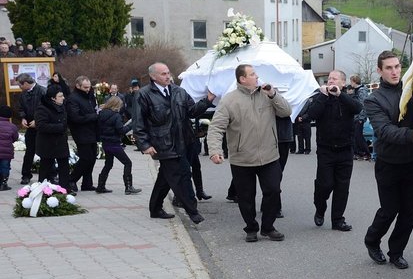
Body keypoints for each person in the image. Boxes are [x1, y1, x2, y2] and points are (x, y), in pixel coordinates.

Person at [206, 64, 291, 242]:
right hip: (242, 158)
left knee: (274, 190)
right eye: (252, 74)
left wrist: (273, 94)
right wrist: (214, 150)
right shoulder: (229, 100)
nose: (257, 76)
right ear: (242, 79)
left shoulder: (266, 95)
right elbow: (216, 128)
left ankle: (268, 227)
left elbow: (286, 112)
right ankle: (251, 228)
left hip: (269, 156)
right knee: (246, 197)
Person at [362, 51, 413, 268]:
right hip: (388, 164)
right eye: (389, 68)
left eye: (397, 67)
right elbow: (384, 130)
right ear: (379, 71)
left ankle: (396, 252)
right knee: (389, 210)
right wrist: (412, 135)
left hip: (411, 163)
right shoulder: (373, 99)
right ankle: (372, 240)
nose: (394, 71)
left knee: (409, 212)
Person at [133, 63, 212, 223]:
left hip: (184, 141)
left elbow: (192, 111)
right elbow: (138, 121)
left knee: (165, 177)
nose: (168, 76)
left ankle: (155, 208)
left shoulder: (179, 92)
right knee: (181, 175)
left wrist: (208, 100)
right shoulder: (144, 94)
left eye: (168, 73)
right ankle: (192, 211)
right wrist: (145, 144)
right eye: (163, 74)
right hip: (163, 143)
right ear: (153, 77)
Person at [303, 70, 361, 231]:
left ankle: (338, 220)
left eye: (334, 79)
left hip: (345, 150)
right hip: (325, 150)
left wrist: (339, 95)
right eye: (329, 79)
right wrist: (324, 96)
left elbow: (358, 108)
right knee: (325, 185)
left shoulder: (348, 98)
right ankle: (320, 209)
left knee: (342, 187)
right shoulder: (320, 98)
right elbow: (311, 114)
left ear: (343, 83)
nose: (331, 82)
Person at [95, 96, 141, 195]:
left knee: (108, 164)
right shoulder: (116, 116)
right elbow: (121, 130)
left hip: (106, 143)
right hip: (114, 144)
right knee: (127, 163)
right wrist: (131, 125)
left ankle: (100, 186)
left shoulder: (101, 113)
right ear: (116, 105)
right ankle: (128, 187)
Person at [66, 76, 99, 193]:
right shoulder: (73, 99)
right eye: (85, 87)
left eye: (89, 87)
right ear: (78, 86)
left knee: (92, 158)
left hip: (92, 131)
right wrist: (94, 116)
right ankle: (71, 179)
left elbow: (93, 109)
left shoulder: (90, 96)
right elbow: (75, 117)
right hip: (80, 132)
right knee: (86, 158)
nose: (87, 89)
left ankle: (87, 183)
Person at [34, 86, 71, 187]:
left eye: (63, 95)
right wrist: (59, 127)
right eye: (60, 96)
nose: (63, 98)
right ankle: (42, 189)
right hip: (47, 143)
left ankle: (65, 188)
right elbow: (41, 125)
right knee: (46, 167)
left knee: (64, 166)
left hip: (60, 142)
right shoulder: (42, 108)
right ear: (53, 98)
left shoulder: (61, 106)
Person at [15, 73, 44, 185]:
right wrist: (23, 118)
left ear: (26, 83)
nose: (19, 87)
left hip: (41, 127)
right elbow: (20, 107)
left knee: (45, 151)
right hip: (30, 128)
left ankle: (50, 174)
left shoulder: (42, 91)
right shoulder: (23, 94)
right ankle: (26, 175)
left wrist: (37, 121)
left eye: (20, 85)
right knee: (29, 152)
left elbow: (46, 109)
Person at [350, 74, 371, 160]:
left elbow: (363, 105)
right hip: (356, 117)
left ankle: (366, 153)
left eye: (351, 81)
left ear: (354, 81)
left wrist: (361, 118)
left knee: (358, 136)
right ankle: (358, 152)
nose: (350, 83)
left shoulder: (361, 91)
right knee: (356, 136)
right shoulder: (357, 90)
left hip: (359, 118)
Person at [0, 105, 17, 190]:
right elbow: (15, 138)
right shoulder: (12, 127)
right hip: (7, 152)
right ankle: (3, 183)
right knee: (5, 167)